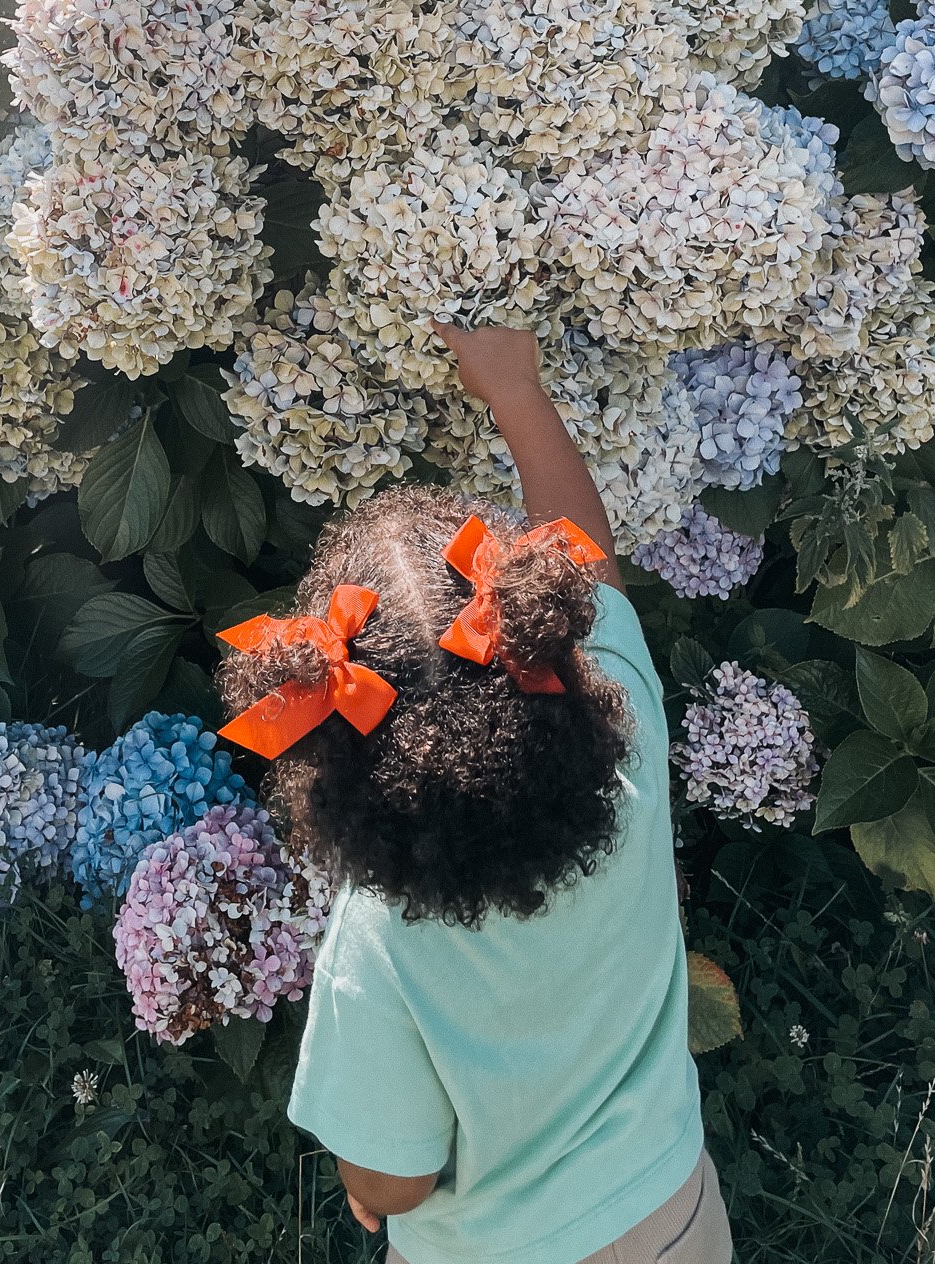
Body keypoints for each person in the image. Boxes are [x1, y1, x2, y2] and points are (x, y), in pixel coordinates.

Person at [214, 322, 733, 1264]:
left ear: (333, 767)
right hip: (669, 1210)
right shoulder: (623, 747)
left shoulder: (378, 944)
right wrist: (516, 391)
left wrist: (363, 1190)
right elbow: (586, 553)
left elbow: (394, 1182)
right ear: (540, 638)